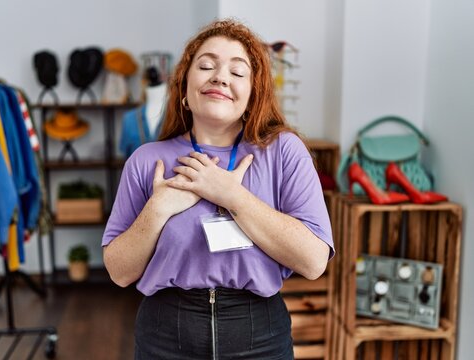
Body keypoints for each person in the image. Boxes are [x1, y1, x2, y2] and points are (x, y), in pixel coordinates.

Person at [102, 19, 334, 359]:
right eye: (207, 65)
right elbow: (119, 272)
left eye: (238, 72)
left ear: (254, 94)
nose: (220, 77)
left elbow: (314, 262)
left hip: (260, 335)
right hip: (165, 336)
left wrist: (232, 195)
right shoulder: (147, 160)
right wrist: (159, 207)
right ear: (183, 89)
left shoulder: (284, 151)